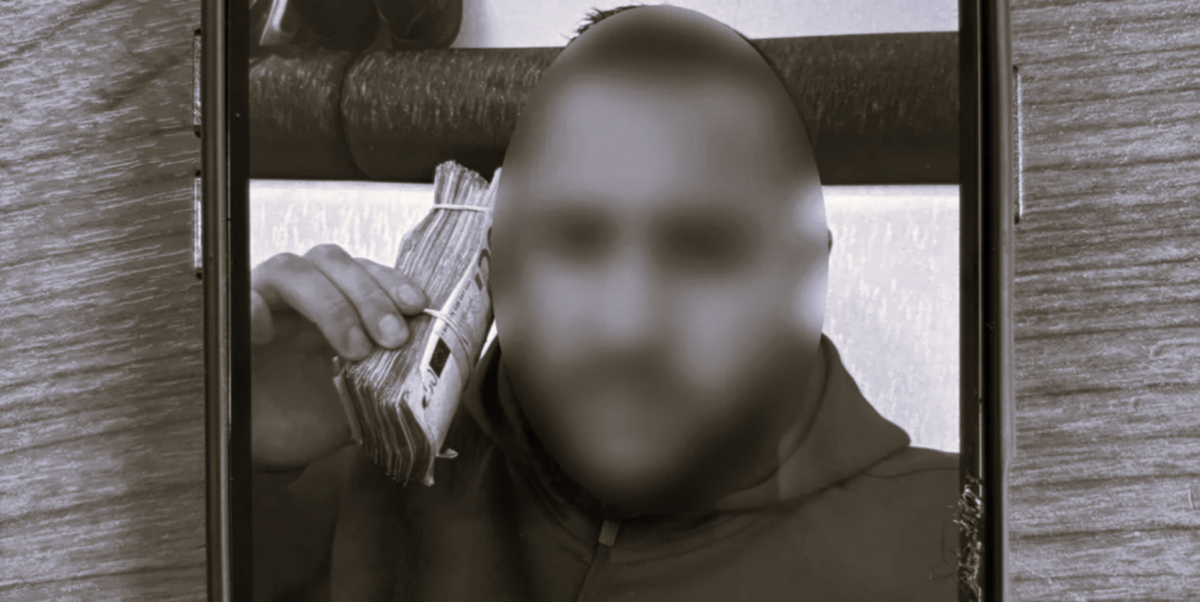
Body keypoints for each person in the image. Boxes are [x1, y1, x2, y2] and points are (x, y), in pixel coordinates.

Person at [249, 5, 961, 601]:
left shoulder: (956, 547)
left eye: (704, 249)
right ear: (497, 268)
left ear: (805, 276)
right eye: (575, 242)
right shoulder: (346, 485)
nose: (629, 326)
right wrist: (234, 451)